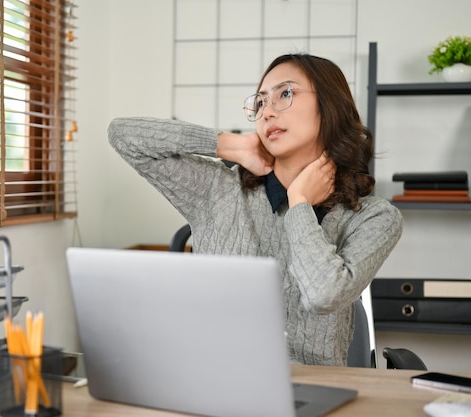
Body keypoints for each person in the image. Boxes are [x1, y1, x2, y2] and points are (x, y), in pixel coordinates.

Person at [107, 53, 403, 366]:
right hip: (213, 380)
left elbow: (323, 295)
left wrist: (299, 201)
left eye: (286, 93)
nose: (267, 112)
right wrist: (227, 145)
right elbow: (122, 135)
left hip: (314, 393)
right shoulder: (219, 190)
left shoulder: (375, 218)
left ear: (331, 107)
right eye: (260, 103)